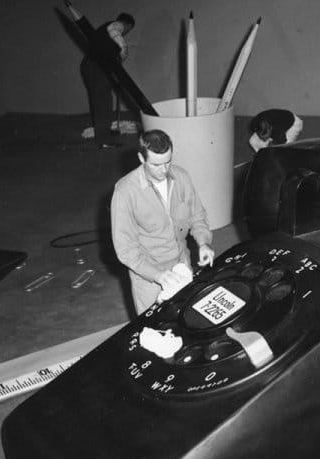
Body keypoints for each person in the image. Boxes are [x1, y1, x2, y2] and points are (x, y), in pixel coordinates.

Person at [111, 129, 214, 314]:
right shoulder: (125, 191)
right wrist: (158, 275)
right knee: (155, 329)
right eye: (156, 165)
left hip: (182, 266)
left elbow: (197, 215)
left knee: (187, 318)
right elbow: (125, 249)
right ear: (141, 159)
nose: (164, 170)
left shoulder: (181, 177)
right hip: (149, 276)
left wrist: (204, 243)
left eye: (168, 162)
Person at [80, 12, 135, 149]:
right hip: (95, 68)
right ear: (127, 25)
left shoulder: (104, 33)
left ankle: (103, 134)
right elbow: (114, 29)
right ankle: (103, 140)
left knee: (102, 101)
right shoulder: (116, 25)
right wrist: (123, 47)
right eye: (128, 29)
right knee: (103, 103)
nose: (126, 32)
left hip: (93, 67)